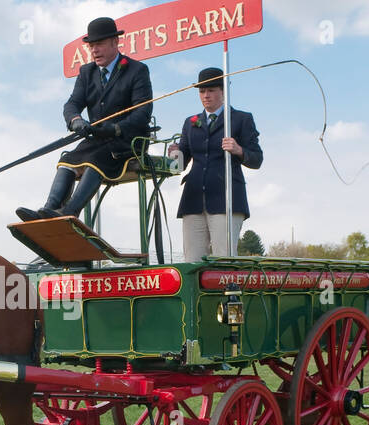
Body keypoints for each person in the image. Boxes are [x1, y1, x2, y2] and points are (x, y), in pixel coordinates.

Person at [16, 17, 153, 222]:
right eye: (91, 46)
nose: (94, 50)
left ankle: (70, 211)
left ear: (115, 43)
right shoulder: (86, 72)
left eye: (99, 44)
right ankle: (49, 209)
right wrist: (75, 120)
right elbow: (72, 104)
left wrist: (115, 129)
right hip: (97, 139)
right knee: (67, 159)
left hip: (126, 140)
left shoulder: (137, 70)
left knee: (94, 161)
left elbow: (142, 113)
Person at [168, 67, 263, 260]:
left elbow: (257, 159)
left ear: (223, 91)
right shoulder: (190, 122)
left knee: (224, 260)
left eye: (211, 90)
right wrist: (174, 156)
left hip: (226, 200)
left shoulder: (241, 119)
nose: (206, 95)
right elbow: (178, 166)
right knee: (192, 261)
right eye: (202, 91)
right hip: (193, 201)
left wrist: (239, 150)